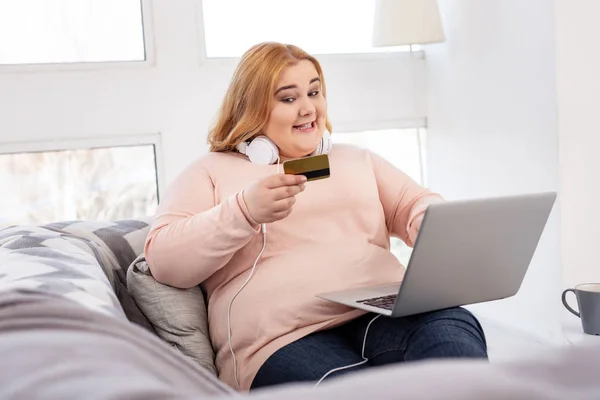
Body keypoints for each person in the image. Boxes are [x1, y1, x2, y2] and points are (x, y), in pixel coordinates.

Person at [143, 42, 488, 392]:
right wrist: (243, 212)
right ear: (252, 107)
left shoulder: (356, 159)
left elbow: (414, 203)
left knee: (454, 343)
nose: (308, 108)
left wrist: (424, 218)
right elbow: (164, 260)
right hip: (282, 339)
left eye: (314, 92)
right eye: (289, 98)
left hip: (383, 310)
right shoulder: (210, 172)